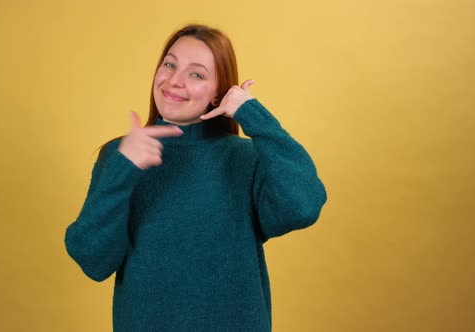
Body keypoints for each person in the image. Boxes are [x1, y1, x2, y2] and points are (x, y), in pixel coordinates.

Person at [65, 24, 327, 331]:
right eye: (170, 64)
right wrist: (123, 169)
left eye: (196, 74)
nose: (174, 81)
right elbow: (93, 260)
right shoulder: (120, 156)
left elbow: (303, 206)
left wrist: (252, 114)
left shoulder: (246, 158)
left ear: (219, 93)